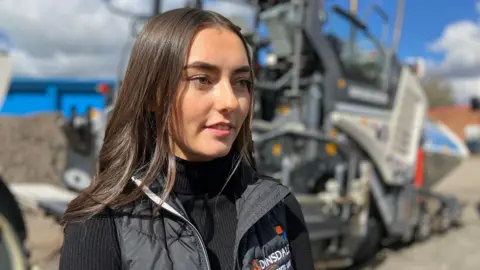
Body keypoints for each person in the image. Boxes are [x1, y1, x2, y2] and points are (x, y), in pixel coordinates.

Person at [59, 7, 314, 270]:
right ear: (152, 94)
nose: (230, 101)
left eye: (241, 82)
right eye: (202, 79)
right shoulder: (100, 221)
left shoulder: (276, 206)